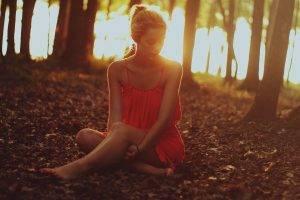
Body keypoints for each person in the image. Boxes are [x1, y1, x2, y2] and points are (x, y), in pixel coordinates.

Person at [40, 4, 185, 180]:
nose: (157, 47)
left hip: (160, 144)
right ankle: (150, 171)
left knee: (120, 133)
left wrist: (140, 148)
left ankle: (77, 168)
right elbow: (114, 121)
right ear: (136, 38)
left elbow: (164, 119)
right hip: (125, 139)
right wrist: (120, 143)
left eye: (161, 41)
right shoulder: (117, 69)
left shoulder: (173, 69)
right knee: (84, 136)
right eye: (151, 41)